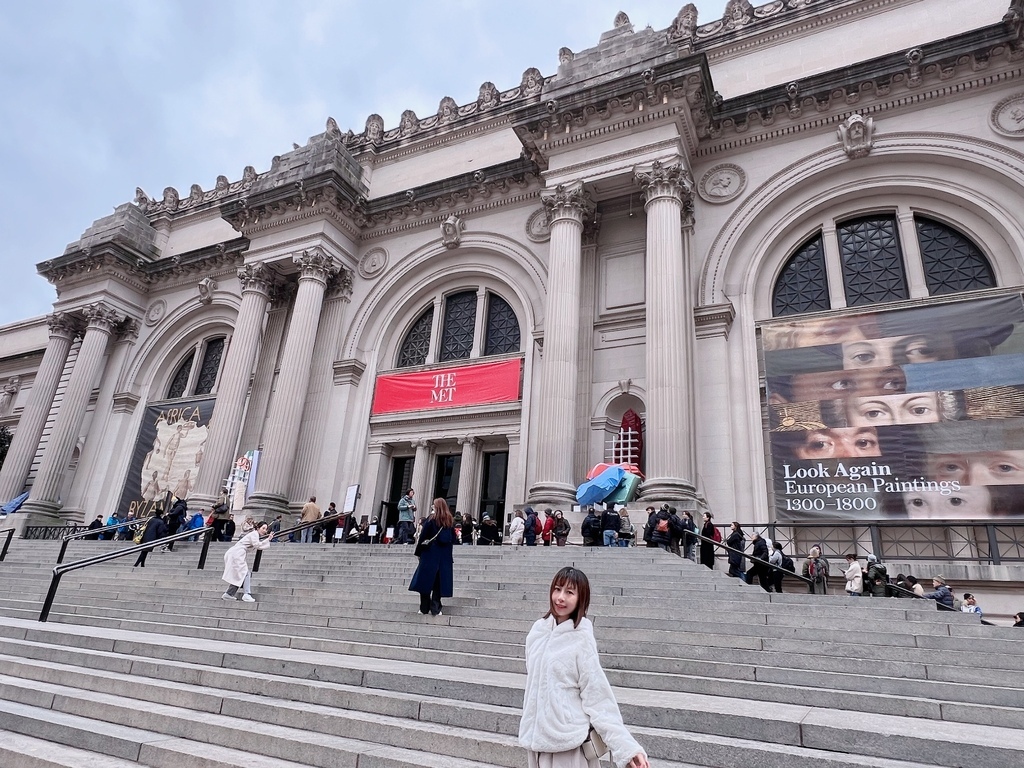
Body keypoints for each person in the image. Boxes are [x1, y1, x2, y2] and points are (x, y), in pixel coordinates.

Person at [518, 567, 650, 768]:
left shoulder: (581, 640)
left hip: (567, 747)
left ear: (581, 599)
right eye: (557, 589)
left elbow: (598, 698)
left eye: (569, 593)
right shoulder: (538, 631)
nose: (560, 598)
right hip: (536, 744)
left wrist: (627, 749)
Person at [409, 498, 455, 615]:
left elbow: (423, 537)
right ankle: (436, 607)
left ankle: (424, 608)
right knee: (438, 583)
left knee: (425, 581)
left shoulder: (431, 520)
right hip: (444, 557)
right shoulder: (449, 521)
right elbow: (452, 539)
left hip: (429, 554)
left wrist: (418, 553)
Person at [221, 518, 273, 602]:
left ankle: (229, 594)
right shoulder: (254, 534)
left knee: (240, 574)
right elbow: (257, 545)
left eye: (266, 529)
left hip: (236, 553)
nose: (264, 530)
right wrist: (268, 540)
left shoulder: (255, 535)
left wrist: (267, 540)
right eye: (263, 528)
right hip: (237, 554)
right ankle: (246, 594)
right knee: (245, 573)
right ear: (258, 528)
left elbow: (258, 544)